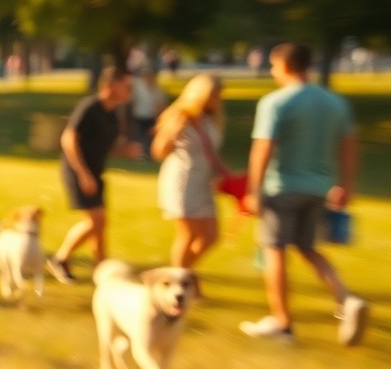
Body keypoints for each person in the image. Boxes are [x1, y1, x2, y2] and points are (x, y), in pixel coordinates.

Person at [239, 43, 369, 346]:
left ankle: (282, 324)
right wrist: (347, 185)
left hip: (281, 189)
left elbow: (263, 147)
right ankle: (346, 300)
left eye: (273, 66)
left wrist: (252, 190)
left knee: (274, 250)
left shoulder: (275, 102)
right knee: (309, 249)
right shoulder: (335, 103)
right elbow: (349, 145)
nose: (271, 72)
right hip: (318, 190)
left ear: (284, 66)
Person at [48, 67, 140, 284]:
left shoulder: (112, 113)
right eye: (126, 86)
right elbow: (68, 139)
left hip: (95, 172)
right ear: (110, 85)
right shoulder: (89, 107)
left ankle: (102, 271)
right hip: (77, 170)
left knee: (99, 225)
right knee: (97, 221)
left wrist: (124, 151)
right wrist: (83, 173)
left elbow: (105, 147)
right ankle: (60, 258)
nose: (130, 90)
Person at [152, 74, 226, 272]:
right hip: (183, 182)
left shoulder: (210, 119)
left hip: (203, 183)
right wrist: (172, 133)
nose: (216, 101)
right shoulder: (180, 116)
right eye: (212, 96)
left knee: (211, 236)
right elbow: (159, 151)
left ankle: (183, 273)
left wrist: (225, 174)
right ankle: (181, 278)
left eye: (218, 96)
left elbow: (211, 151)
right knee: (189, 235)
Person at [128, 67, 166, 159]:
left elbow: (161, 106)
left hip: (151, 118)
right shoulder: (138, 88)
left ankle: (147, 155)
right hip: (139, 117)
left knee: (149, 138)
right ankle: (138, 155)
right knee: (139, 136)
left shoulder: (157, 90)